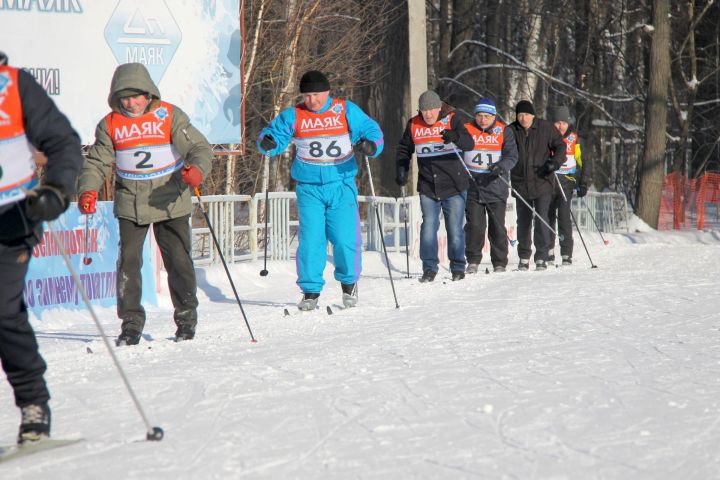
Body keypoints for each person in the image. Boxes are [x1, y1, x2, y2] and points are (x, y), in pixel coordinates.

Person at [77, 63, 213, 346]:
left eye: (136, 96)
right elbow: (98, 161)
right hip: (131, 202)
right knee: (128, 263)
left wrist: (197, 170)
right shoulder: (111, 123)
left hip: (170, 199)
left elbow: (199, 148)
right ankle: (131, 325)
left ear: (148, 93)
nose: (131, 103)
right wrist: (88, 189)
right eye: (125, 98)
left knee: (178, 261)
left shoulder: (169, 116)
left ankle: (186, 319)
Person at [0, 52, 83, 443]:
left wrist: (56, 189)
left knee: (2, 312)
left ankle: (34, 403)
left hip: (12, 219)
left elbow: (64, 142)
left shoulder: (15, 86)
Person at [256, 70, 383, 310]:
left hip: (341, 184)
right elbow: (272, 135)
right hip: (309, 188)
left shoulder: (344, 110)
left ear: (327, 92)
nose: (311, 100)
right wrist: (267, 141)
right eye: (307, 95)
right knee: (312, 240)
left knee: (345, 239)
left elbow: (371, 130)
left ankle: (349, 284)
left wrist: (371, 145)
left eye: (316, 94)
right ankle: (310, 291)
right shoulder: (295, 115)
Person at [395, 90, 474, 282]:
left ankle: (457, 266)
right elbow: (404, 148)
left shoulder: (453, 119)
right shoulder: (414, 124)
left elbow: (469, 144)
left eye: (431, 110)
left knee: (454, 228)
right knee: (428, 227)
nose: (428, 114)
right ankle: (429, 268)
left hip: (453, 184)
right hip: (428, 185)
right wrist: (401, 168)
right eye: (424, 110)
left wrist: (455, 136)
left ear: (439, 108)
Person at [506, 100, 566, 271]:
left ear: (533, 115)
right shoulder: (511, 130)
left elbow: (561, 146)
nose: (523, 118)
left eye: (526, 115)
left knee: (541, 219)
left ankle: (541, 256)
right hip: (520, 183)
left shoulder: (546, 128)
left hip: (542, 181)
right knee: (523, 222)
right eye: (520, 115)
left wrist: (555, 162)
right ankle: (524, 256)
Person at [462, 98, 518, 274]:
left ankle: (500, 262)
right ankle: (473, 260)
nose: (483, 120)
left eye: (487, 116)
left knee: (497, 227)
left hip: (496, 186)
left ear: (494, 116)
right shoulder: (467, 129)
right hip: (473, 186)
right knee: (475, 227)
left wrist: (500, 167)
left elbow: (512, 156)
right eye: (479, 115)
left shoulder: (504, 131)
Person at [548, 106, 591, 266]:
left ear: (568, 123)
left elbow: (584, 162)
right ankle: (548, 250)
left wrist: (583, 182)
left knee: (564, 217)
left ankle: (566, 253)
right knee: (547, 216)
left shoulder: (575, 139)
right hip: (549, 181)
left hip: (566, 182)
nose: (560, 126)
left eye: (563, 123)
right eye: (557, 123)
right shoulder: (548, 136)